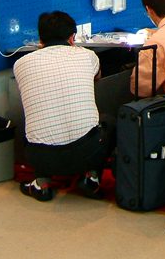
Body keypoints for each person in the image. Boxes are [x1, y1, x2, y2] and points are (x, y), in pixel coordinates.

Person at [13, 11, 108, 202]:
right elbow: (97, 77)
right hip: (85, 153)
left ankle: (42, 184)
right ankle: (91, 178)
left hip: (40, 156)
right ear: (72, 38)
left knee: (38, 122)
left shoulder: (20, 64)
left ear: (40, 39)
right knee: (109, 122)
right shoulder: (88, 56)